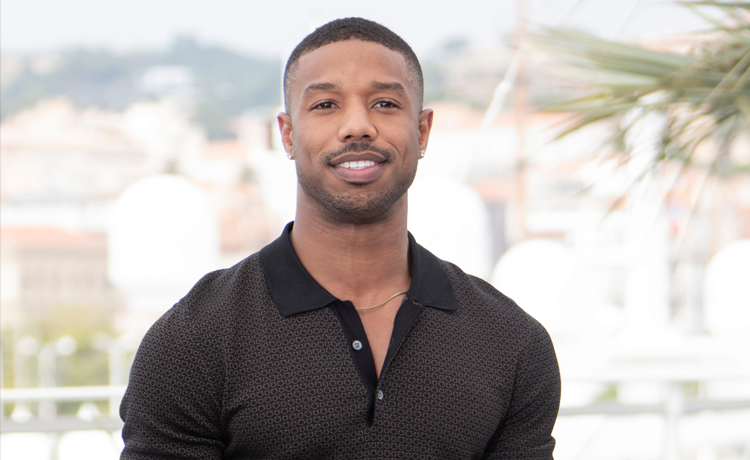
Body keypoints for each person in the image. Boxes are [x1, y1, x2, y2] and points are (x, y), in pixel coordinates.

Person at [120, 17, 560, 459]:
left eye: (385, 103)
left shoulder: (511, 342)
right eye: (326, 105)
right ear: (288, 135)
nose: (357, 126)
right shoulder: (194, 340)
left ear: (422, 131)